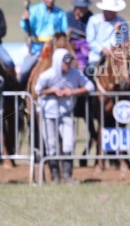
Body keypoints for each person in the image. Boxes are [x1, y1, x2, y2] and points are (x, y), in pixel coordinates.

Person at [35, 49, 94, 183]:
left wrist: (73, 91)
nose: (68, 65)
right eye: (65, 62)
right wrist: (52, 91)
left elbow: (90, 86)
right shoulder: (47, 75)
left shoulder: (75, 73)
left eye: (69, 62)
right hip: (48, 113)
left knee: (69, 142)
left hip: (66, 112)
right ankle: (55, 175)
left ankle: (67, 175)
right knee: (51, 144)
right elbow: (37, 89)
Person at [18, 0, 69, 82]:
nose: (51, 0)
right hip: (37, 50)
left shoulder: (60, 13)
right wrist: (25, 19)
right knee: (24, 71)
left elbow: (65, 31)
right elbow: (25, 27)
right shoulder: (33, 10)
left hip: (55, 49)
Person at [85, 0, 128, 69]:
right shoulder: (94, 20)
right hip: (97, 57)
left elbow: (124, 42)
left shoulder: (122, 22)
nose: (113, 13)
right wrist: (102, 50)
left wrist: (118, 33)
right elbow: (90, 40)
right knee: (90, 71)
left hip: (117, 58)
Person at [66, 0, 93, 70]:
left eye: (85, 7)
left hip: (86, 46)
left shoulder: (90, 16)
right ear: (76, 7)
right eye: (81, 8)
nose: (84, 10)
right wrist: (67, 35)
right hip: (72, 46)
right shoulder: (68, 16)